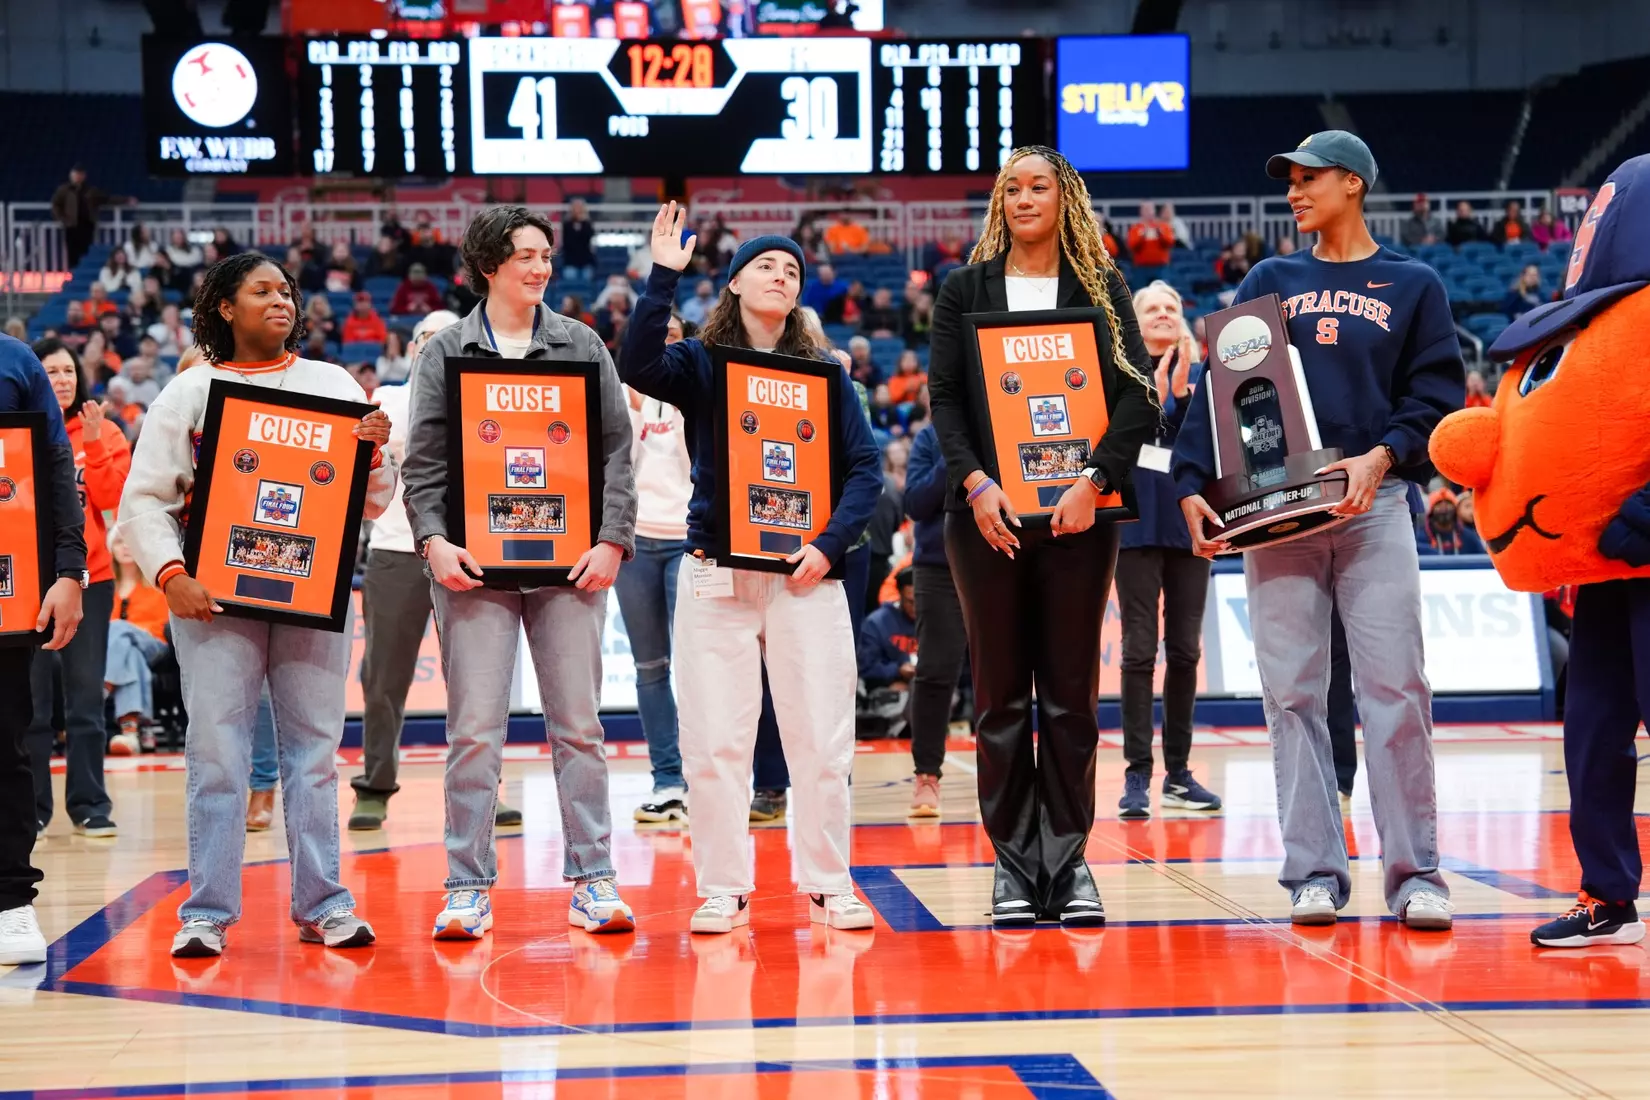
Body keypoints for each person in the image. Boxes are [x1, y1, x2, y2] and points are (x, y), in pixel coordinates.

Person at [1172, 130, 1462, 931]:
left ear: (1355, 184)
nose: (1295, 193)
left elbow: (1436, 397)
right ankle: (1314, 871)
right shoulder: (1271, 277)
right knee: (1293, 695)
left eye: (1310, 180)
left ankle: (1416, 876)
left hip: (1378, 508)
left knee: (1396, 691)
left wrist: (1384, 455)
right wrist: (1193, 481)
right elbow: (1224, 389)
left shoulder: (1414, 284)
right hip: (1279, 517)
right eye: (1290, 181)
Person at [116, 253, 397, 958]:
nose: (282, 301)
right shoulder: (190, 391)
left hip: (313, 587)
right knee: (217, 754)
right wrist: (169, 572)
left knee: (314, 753)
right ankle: (207, 910)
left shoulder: (332, 383)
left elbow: (374, 501)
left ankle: (325, 903)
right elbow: (145, 499)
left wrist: (374, 454)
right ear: (223, 307)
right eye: (261, 290)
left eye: (287, 291)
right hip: (211, 597)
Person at [621, 204, 883, 934]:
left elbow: (865, 471)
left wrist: (829, 545)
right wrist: (663, 278)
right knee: (714, 739)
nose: (780, 274)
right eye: (765, 264)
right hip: (717, 574)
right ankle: (723, 886)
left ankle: (830, 882)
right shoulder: (704, 364)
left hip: (807, 575)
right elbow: (635, 363)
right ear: (733, 284)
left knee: (823, 740)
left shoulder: (826, 376)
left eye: (792, 268)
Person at [928, 146, 1158, 926]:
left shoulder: (1103, 286)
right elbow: (947, 401)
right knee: (997, 698)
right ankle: (1012, 865)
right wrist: (976, 482)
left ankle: (1069, 861)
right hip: (985, 519)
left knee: (1067, 699)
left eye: (1039, 186)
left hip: (1080, 519)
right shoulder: (964, 289)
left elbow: (1137, 396)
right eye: (1012, 188)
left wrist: (1094, 481)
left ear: (1067, 200)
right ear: (999, 202)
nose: (1025, 197)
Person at [401, 206, 637, 940]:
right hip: (474, 568)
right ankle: (467, 886)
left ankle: (594, 879)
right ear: (488, 266)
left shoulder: (581, 343)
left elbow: (617, 453)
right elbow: (426, 463)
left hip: (571, 566)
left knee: (580, 727)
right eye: (524, 256)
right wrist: (433, 540)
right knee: (474, 730)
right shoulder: (444, 350)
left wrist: (611, 541)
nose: (539, 267)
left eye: (545, 255)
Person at [347, 310, 471, 832]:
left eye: (444, 339)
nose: (433, 347)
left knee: (473, 681)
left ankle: (481, 791)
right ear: (412, 347)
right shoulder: (386, 401)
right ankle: (375, 785)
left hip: (461, 553)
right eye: (425, 338)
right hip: (397, 551)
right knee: (383, 678)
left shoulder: (474, 396)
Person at [1113, 282, 1221, 820]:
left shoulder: (1204, 378)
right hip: (1132, 526)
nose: (1161, 314)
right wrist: (1154, 397)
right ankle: (1137, 774)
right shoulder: (1117, 372)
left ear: (1183, 320)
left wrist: (1181, 398)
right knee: (1138, 651)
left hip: (1188, 526)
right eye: (1151, 308)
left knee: (1185, 652)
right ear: (1134, 322)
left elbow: (1210, 447)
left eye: (1171, 308)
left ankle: (1178, 774)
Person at [0, 333, 87, 966]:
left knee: (6, 740)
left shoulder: (15, 359)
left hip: (8, 584)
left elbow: (55, 465)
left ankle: (9, 902)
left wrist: (67, 571)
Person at [27, 339, 126, 836]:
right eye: (51, 371)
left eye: (68, 371)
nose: (62, 380)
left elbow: (111, 499)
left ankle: (90, 805)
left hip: (93, 580)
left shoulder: (105, 431)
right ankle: (33, 810)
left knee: (86, 700)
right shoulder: (19, 431)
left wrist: (90, 441)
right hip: (29, 583)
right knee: (33, 706)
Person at [620, 313, 695, 826]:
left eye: (673, 336)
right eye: (657, 335)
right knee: (650, 669)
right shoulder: (624, 391)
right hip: (636, 540)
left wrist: (677, 403)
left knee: (695, 668)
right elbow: (618, 465)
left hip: (689, 540)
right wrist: (632, 413)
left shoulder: (696, 384)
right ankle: (667, 779)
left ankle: (702, 778)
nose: (664, 343)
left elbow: (701, 463)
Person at [901, 421, 966, 817]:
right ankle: (927, 774)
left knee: (1005, 671)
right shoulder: (929, 438)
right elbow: (916, 502)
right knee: (936, 672)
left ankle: (1009, 776)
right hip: (938, 568)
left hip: (999, 558)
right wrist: (954, 451)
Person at [105, 533, 170, 755]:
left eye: (131, 541)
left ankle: (102, 687)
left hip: (155, 646)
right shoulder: (105, 587)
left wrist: (133, 630)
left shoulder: (156, 583)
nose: (125, 547)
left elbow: (164, 624)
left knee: (117, 628)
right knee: (129, 654)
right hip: (122, 652)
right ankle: (131, 733)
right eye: (119, 542)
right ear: (111, 548)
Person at [51, 165, 127, 268]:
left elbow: (106, 199)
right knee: (72, 253)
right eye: (75, 174)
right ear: (71, 175)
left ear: (84, 176)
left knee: (86, 251)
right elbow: (56, 205)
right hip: (71, 226)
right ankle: (74, 275)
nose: (77, 177)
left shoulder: (91, 190)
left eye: (80, 174)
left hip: (87, 225)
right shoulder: (64, 190)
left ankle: (83, 270)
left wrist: (125, 200)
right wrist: (62, 219)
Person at [858, 567, 917, 691]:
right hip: (889, 687)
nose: (915, 607)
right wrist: (897, 670)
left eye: (920, 601)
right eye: (910, 602)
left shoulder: (933, 621)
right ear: (900, 595)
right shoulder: (877, 623)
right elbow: (865, 668)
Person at [1417, 487, 1484, 555]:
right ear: (1431, 512)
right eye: (1438, 504)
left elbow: (1484, 561)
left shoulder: (1470, 537)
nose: (1444, 508)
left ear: (1456, 510)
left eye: (1448, 503)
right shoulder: (1419, 537)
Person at [1126, 202, 1175, 278]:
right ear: (1141, 211)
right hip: (1141, 268)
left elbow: (1170, 243)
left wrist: (1159, 233)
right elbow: (1132, 246)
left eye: (1150, 209)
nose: (1148, 212)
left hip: (1161, 268)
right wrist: (1143, 235)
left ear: (1154, 211)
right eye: (1145, 209)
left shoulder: (1164, 226)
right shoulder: (1135, 228)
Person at [560, 198, 596, 282]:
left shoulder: (588, 224)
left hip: (586, 260)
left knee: (586, 286)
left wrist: (583, 222)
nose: (578, 209)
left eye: (580, 207)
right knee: (571, 284)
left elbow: (589, 238)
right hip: (570, 260)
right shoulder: (567, 224)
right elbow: (567, 242)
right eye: (576, 207)